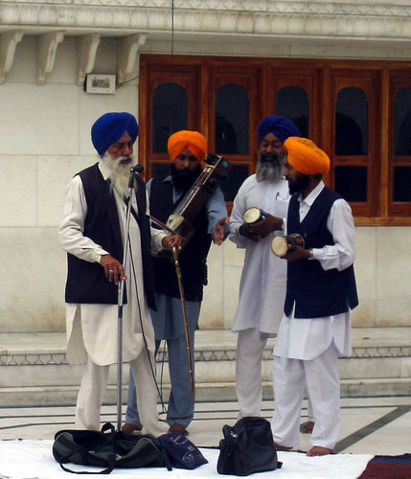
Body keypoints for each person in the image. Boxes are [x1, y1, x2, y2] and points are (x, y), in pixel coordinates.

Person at [58, 112, 180, 436]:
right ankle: (86, 430)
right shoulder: (82, 183)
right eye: (119, 145)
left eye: (130, 144)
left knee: (144, 356)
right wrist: (102, 257)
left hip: (136, 290)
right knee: (99, 362)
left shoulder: (136, 184)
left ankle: (153, 427)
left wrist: (162, 240)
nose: (127, 151)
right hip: (102, 290)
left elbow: (140, 229)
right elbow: (68, 233)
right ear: (104, 149)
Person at [123, 130, 228, 436]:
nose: (185, 163)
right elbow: (141, 223)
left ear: (199, 161)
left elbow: (216, 218)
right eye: (180, 157)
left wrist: (219, 228)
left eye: (191, 158)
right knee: (145, 349)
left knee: (182, 348)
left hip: (188, 279)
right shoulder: (152, 186)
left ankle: (180, 417)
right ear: (173, 158)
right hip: (154, 280)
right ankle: (136, 415)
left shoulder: (211, 192)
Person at [271, 137, 358, 456]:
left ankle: (324, 440)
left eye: (291, 168)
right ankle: (284, 435)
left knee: (321, 373)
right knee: (286, 368)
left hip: (324, 303)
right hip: (295, 302)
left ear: (308, 172)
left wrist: (310, 254)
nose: (286, 173)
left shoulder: (336, 205)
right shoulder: (293, 203)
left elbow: (347, 253)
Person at [229, 115, 301, 419]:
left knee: (294, 353)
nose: (269, 149)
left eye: (275, 144)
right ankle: (249, 415)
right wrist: (244, 231)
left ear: (287, 149)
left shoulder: (298, 183)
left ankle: (297, 416)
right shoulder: (249, 184)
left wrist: (279, 223)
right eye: (265, 143)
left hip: (289, 280)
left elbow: (312, 224)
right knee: (247, 350)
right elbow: (234, 224)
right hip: (255, 280)